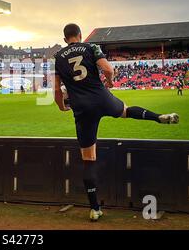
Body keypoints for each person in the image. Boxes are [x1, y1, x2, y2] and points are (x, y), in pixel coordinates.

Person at [53, 23, 179, 222]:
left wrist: (61, 106)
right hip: (101, 97)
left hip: (81, 108)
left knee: (89, 159)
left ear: (65, 38)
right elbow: (107, 69)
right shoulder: (90, 47)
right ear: (80, 35)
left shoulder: (58, 57)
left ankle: (95, 208)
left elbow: (57, 91)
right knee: (126, 111)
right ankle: (158, 117)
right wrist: (110, 82)